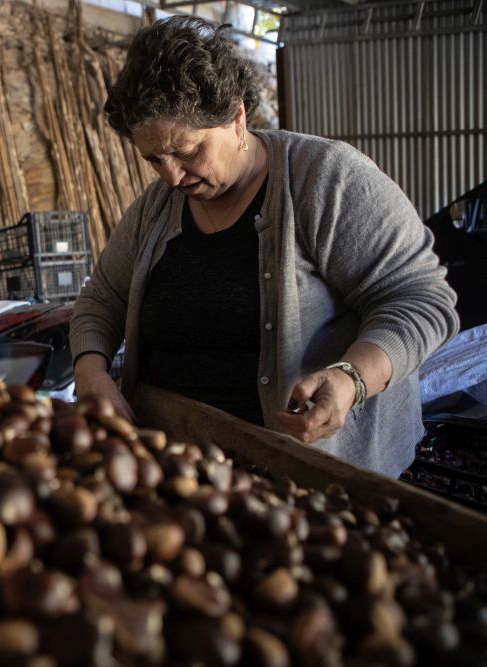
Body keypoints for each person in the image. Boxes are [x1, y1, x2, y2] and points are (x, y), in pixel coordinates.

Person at [70, 15, 459, 477]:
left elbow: (422, 300)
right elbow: (102, 300)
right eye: (154, 159)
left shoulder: (326, 180)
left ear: (237, 117)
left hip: (313, 480)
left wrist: (351, 378)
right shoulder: (155, 210)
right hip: (179, 476)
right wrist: (90, 370)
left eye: (189, 151)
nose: (172, 176)